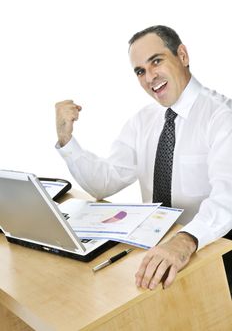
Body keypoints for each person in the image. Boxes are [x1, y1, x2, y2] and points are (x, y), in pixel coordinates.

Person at [55, 25, 232, 290]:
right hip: (158, 254)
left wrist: (185, 240)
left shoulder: (222, 116)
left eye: (156, 61)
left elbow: (227, 198)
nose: (150, 77)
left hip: (211, 254)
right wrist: (67, 140)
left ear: (182, 55)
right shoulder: (143, 121)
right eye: (140, 71)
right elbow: (105, 182)